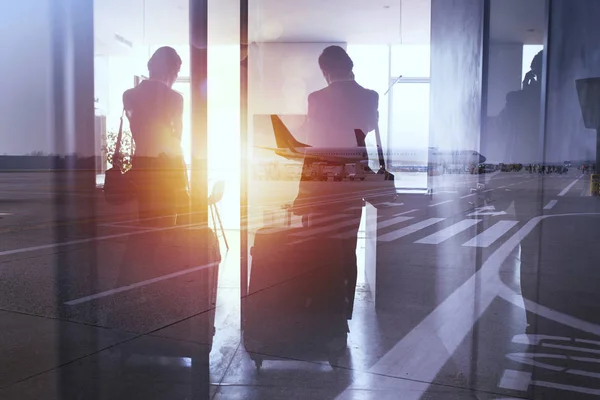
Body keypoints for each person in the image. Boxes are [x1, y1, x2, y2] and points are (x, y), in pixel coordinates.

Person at [298, 45, 379, 320]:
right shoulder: (370, 97)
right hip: (352, 180)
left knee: (319, 244)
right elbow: (366, 129)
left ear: (325, 71)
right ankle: (344, 313)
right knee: (347, 245)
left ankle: (321, 310)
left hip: (322, 182)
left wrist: (302, 191)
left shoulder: (316, 98)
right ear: (350, 66)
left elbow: (313, 147)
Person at [122, 46, 189, 227]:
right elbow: (175, 142)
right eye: (177, 72)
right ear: (171, 71)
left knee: (145, 228)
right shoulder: (175, 99)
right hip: (166, 170)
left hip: (141, 169)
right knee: (166, 230)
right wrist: (183, 183)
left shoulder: (128, 96)